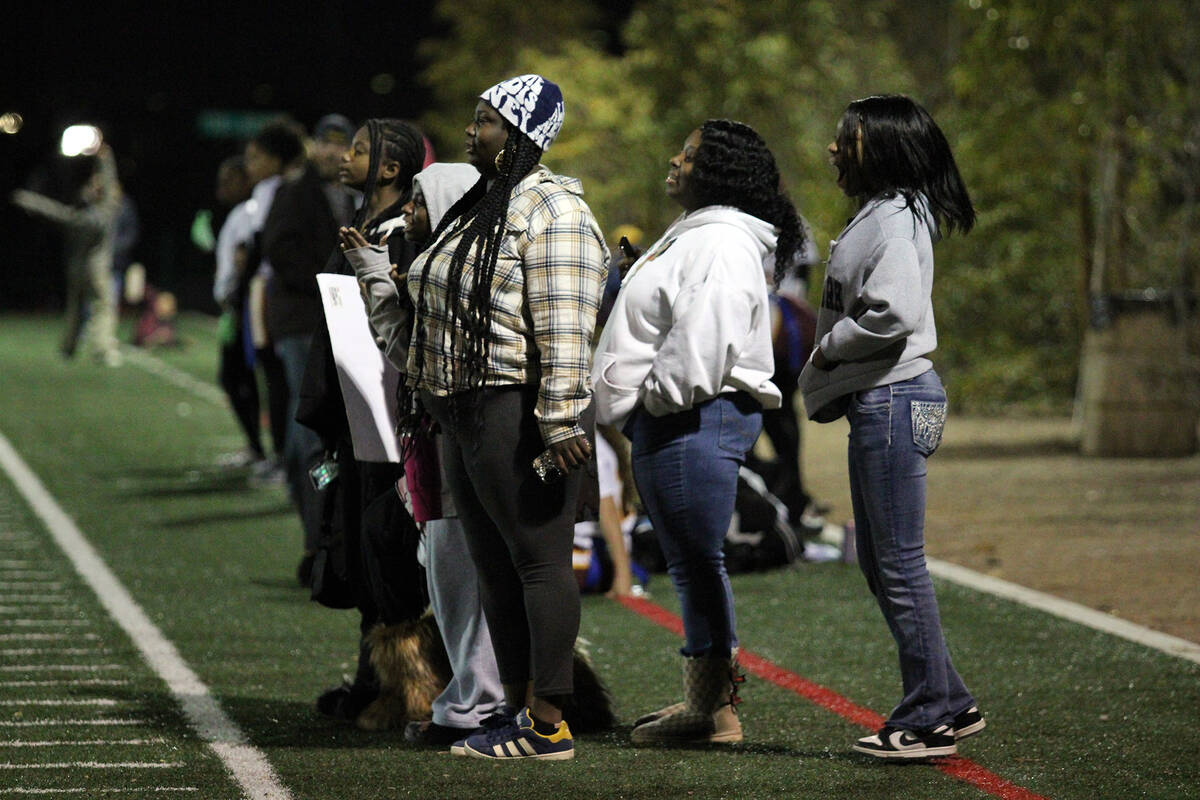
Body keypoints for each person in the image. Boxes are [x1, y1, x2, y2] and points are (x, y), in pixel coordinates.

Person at [401, 75, 606, 760]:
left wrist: (561, 420)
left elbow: (567, 324)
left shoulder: (554, 209)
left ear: (521, 133)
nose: (471, 130)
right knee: (493, 569)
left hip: (514, 409)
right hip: (462, 412)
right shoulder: (485, 202)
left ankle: (549, 723)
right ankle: (517, 714)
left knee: (538, 564)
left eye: (486, 120)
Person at [592, 119, 805, 745]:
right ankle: (706, 702)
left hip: (690, 416)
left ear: (715, 173)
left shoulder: (720, 243)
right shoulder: (705, 235)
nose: (673, 161)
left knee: (697, 564)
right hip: (679, 418)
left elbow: (699, 350)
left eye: (686, 156)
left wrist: (644, 403)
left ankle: (714, 712)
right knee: (691, 564)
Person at [799, 94, 983, 759]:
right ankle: (949, 699)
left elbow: (895, 310)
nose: (832, 148)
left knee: (897, 563)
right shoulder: (889, 213)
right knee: (885, 563)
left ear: (879, 146)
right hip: (894, 399)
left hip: (894, 398)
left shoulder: (895, 218)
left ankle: (931, 713)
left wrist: (831, 346)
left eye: (845, 138)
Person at [344, 160, 506, 745]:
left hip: (454, 439)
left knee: (460, 579)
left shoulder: (453, 270)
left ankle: (476, 703)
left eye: (418, 203)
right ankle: (475, 696)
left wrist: (376, 282)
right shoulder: (442, 263)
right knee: (445, 573)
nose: (407, 213)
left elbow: (411, 354)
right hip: (437, 440)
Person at [261, 114, 356, 582]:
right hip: (303, 326)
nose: (334, 153)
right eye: (326, 143)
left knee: (339, 441)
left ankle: (334, 538)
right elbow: (279, 253)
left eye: (343, 144)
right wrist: (332, 286)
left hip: (349, 327)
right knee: (307, 442)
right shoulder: (293, 192)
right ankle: (315, 537)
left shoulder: (360, 194)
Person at [11, 143, 122, 366]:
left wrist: (29, 199)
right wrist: (106, 158)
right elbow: (110, 187)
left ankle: (68, 348)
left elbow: (53, 211)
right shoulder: (105, 211)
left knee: (75, 310)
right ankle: (102, 350)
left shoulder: (76, 216)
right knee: (103, 307)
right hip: (97, 268)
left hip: (76, 267)